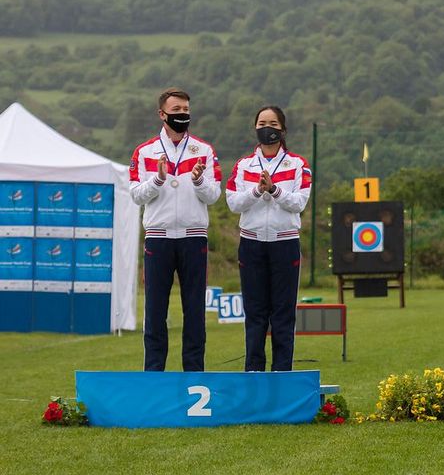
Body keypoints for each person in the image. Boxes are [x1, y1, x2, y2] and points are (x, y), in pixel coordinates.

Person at [129, 88, 221, 372]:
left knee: (194, 311)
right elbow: (135, 194)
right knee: (155, 310)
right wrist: (157, 180)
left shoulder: (204, 150)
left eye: (185, 109)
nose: (182, 114)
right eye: (176, 109)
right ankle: (154, 374)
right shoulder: (144, 151)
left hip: (194, 238)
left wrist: (198, 182)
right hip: (159, 238)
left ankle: (194, 374)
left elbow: (214, 195)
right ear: (162, 114)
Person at [226, 106, 312, 371]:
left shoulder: (298, 164)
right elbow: (232, 202)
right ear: (255, 128)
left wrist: (274, 190)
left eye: (273, 123)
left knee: (283, 314)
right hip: (251, 244)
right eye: (262, 122)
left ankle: (282, 373)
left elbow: (299, 203)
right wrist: (256, 191)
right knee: (255, 313)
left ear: (283, 130)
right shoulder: (243, 165)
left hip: (284, 244)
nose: (267, 127)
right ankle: (253, 372)